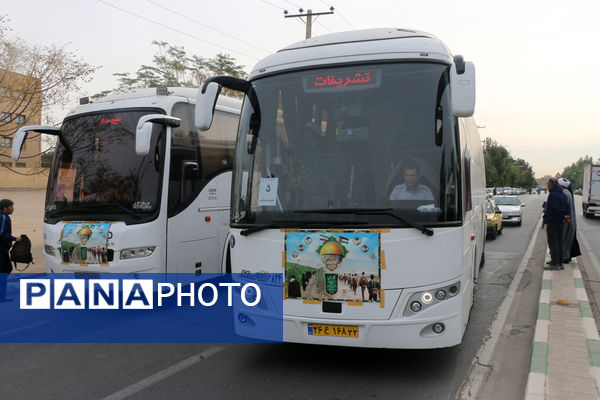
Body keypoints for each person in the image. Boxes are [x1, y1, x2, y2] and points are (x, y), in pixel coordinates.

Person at [543, 178, 570, 270]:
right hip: (560, 222)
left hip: (553, 221)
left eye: (548, 183)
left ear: (551, 185)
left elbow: (554, 209)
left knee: (553, 242)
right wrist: (564, 217)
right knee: (559, 242)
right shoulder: (562, 194)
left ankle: (555, 264)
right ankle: (559, 263)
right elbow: (567, 208)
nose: (547, 185)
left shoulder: (553, 195)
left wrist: (561, 217)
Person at [0, 199, 22, 302]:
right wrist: (14, 238)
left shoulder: (4, 217)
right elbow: (1, 234)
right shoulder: (3, 217)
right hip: (1, 250)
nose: (13, 208)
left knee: (7, 269)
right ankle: (2, 297)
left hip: (3, 250)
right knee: (4, 272)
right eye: (11, 206)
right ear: (5, 208)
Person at [558, 178, 576, 264]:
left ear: (560, 186)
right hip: (570, 221)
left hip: (566, 221)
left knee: (563, 239)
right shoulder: (568, 193)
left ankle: (564, 257)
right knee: (567, 239)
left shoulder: (564, 194)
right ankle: (567, 256)